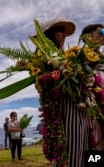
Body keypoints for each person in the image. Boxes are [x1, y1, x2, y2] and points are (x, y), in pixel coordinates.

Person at [38, 16, 93, 167]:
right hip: (66, 111)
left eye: (65, 32)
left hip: (83, 109)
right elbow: (46, 83)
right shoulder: (43, 58)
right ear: (49, 35)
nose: (64, 35)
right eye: (59, 31)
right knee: (71, 151)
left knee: (87, 148)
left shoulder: (69, 57)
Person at [81, 24, 104, 150]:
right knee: (95, 147)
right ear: (88, 37)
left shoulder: (101, 57)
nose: (103, 35)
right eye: (101, 32)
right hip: (93, 110)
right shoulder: (83, 57)